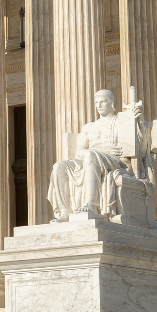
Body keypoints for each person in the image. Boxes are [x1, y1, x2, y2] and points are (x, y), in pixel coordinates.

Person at [47, 90, 136, 221]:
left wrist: (137, 120)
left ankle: (91, 205)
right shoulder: (89, 127)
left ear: (111, 103)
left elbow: (138, 143)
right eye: (96, 102)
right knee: (59, 166)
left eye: (103, 102)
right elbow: (78, 152)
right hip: (91, 158)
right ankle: (65, 211)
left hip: (116, 162)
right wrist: (101, 149)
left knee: (90, 156)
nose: (99, 105)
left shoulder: (120, 122)